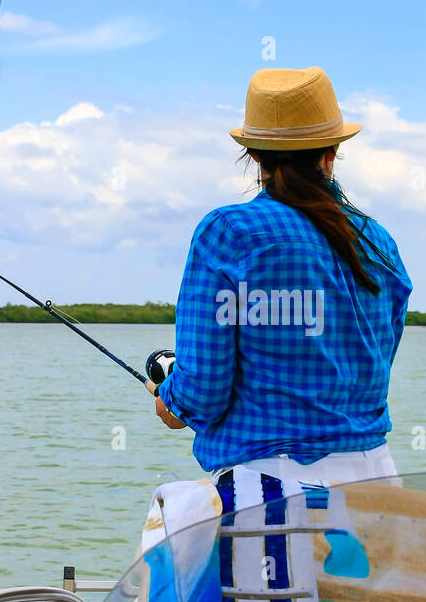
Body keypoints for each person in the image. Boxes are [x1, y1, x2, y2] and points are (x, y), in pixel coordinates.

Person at [151, 66, 412, 486]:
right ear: (332, 151)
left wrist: (172, 401)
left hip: (271, 492)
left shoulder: (228, 233)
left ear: (254, 153)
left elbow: (203, 393)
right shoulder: (380, 242)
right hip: (379, 482)